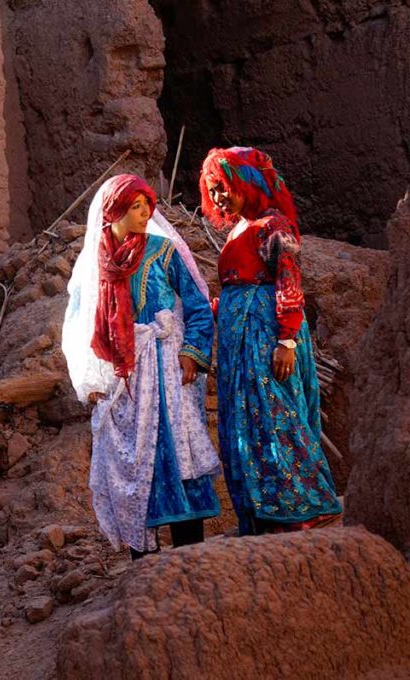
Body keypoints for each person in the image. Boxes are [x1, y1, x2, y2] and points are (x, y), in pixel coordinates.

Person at [62, 174, 220, 558]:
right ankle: (143, 562)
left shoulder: (165, 252)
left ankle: (190, 553)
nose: (145, 212)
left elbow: (199, 307)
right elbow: (79, 320)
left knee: (177, 448)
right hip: (125, 375)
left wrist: (191, 354)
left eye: (147, 204)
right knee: (130, 457)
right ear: (113, 212)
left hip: (166, 369)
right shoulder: (95, 264)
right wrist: (90, 377)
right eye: (135, 207)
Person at [199, 146, 342, 536]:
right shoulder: (239, 230)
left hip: (268, 343)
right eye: (212, 191)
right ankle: (262, 515)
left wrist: (287, 341)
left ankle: (298, 510)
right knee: (246, 422)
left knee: (275, 418)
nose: (217, 197)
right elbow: (237, 288)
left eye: (223, 187)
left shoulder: (274, 225)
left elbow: (289, 280)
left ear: (246, 183)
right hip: (240, 348)